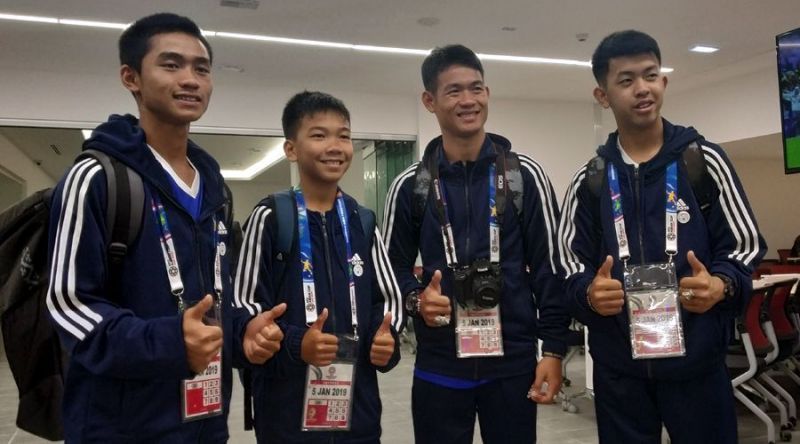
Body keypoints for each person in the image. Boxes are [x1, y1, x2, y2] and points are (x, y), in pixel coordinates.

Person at [46, 12, 282, 442]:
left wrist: (241, 332)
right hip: (119, 428)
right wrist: (171, 341)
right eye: (171, 65)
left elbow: (212, 297)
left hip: (206, 422)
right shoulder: (98, 177)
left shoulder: (214, 187)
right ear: (130, 76)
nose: (190, 79)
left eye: (201, 68)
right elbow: (70, 306)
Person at [558, 30, 767, 443]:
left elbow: (744, 246)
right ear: (603, 95)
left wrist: (721, 285)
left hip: (697, 367)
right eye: (626, 80)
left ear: (664, 82)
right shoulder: (592, 180)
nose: (642, 89)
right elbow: (566, 265)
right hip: (619, 373)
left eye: (650, 75)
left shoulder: (702, 161)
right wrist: (587, 293)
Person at [383, 44, 568, 443]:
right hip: (439, 362)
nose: (468, 100)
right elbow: (391, 270)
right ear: (429, 101)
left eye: (477, 88)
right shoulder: (411, 186)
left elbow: (550, 269)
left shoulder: (524, 176)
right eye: (454, 91)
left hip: (513, 361)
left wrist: (553, 350)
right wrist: (415, 299)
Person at [233, 91, 404, 443]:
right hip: (286, 415)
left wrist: (384, 337)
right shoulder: (270, 219)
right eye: (319, 135)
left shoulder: (362, 220)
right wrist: (297, 345)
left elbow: (387, 299)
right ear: (291, 149)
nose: (335, 146)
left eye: (343, 135)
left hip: (357, 412)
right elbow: (245, 309)